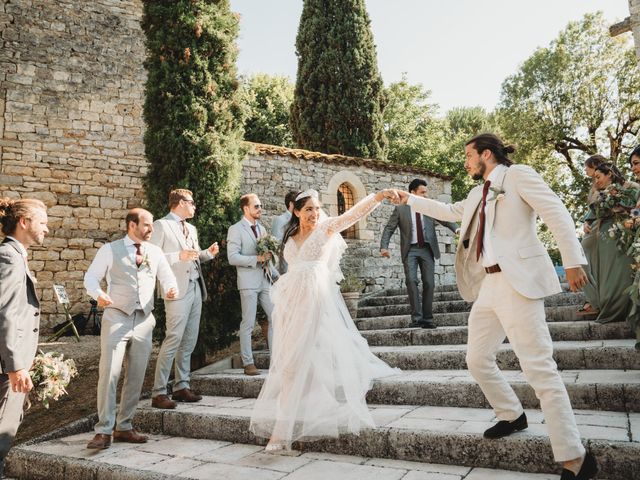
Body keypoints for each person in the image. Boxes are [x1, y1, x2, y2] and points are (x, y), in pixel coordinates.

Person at [397, 133, 597, 480]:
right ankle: (511, 414)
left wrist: (573, 259)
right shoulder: (479, 192)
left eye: (469, 156)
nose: (466, 162)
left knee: (539, 369)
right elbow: (450, 211)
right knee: (476, 359)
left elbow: (556, 211)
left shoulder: (518, 176)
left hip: (518, 281)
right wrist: (409, 200)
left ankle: (575, 457)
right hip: (489, 284)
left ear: (486, 154)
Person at [249, 188, 401, 452]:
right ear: (295, 211)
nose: (315, 213)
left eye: (317, 208)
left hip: (316, 299)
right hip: (290, 303)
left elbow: (354, 214)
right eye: (309, 209)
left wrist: (378, 197)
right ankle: (288, 424)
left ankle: (281, 433)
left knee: (296, 360)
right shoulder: (290, 235)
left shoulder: (327, 228)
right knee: (288, 363)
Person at [84, 208, 178, 450]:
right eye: (146, 225)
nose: (150, 230)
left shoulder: (155, 252)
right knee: (109, 373)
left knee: (136, 376)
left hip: (145, 320)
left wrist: (171, 288)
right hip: (116, 317)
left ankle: (124, 426)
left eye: (152, 226)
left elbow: (167, 277)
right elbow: (91, 278)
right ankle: (103, 430)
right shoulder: (109, 250)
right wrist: (99, 294)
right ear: (131, 225)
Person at [149, 189, 219, 409]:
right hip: (176, 289)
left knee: (189, 339)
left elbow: (194, 256)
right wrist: (177, 256)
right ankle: (159, 391)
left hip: (195, 287)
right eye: (192, 202)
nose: (195, 206)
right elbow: (151, 257)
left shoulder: (191, 228)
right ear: (180, 203)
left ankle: (181, 386)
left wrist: (207, 253)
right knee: (173, 338)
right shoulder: (161, 225)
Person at [0, 198, 48, 477]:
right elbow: (4, 313)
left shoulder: (15, 255)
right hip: (7, 368)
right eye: (42, 222)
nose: (47, 229)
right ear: (24, 222)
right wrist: (15, 366)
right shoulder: (8, 256)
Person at [380, 178, 458, 328]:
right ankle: (416, 319)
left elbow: (445, 219)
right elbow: (389, 228)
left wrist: (457, 229)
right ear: (412, 193)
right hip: (410, 250)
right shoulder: (400, 209)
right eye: (422, 192)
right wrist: (384, 246)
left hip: (427, 249)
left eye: (426, 192)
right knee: (411, 281)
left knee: (429, 282)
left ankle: (427, 319)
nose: (425, 195)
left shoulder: (428, 207)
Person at [581, 163, 639, 328]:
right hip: (606, 234)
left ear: (610, 174)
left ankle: (624, 308)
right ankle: (602, 302)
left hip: (625, 233)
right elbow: (593, 212)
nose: (596, 181)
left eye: (598, 177)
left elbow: (637, 209)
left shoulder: (632, 187)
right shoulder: (601, 194)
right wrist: (587, 221)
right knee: (606, 272)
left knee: (620, 272)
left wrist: (629, 215)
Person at [227, 194, 278, 376]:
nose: (260, 209)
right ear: (246, 209)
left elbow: (267, 257)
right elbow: (232, 257)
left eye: (261, 205)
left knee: (275, 317)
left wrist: (276, 274)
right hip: (248, 281)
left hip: (265, 279)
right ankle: (248, 363)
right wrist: (256, 259)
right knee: (248, 322)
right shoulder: (236, 229)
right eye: (256, 206)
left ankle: (277, 360)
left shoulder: (263, 229)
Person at [577, 155, 607, 317]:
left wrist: (588, 220)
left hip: (601, 228)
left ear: (595, 165)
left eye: (586, 167)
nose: (585, 170)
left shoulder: (603, 181)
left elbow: (601, 204)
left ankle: (595, 301)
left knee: (580, 259)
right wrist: (586, 220)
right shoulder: (594, 185)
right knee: (588, 264)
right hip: (594, 227)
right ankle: (594, 300)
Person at [271, 190, 300, 274]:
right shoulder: (280, 220)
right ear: (291, 204)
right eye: (298, 203)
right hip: (286, 268)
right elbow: (276, 246)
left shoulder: (302, 220)